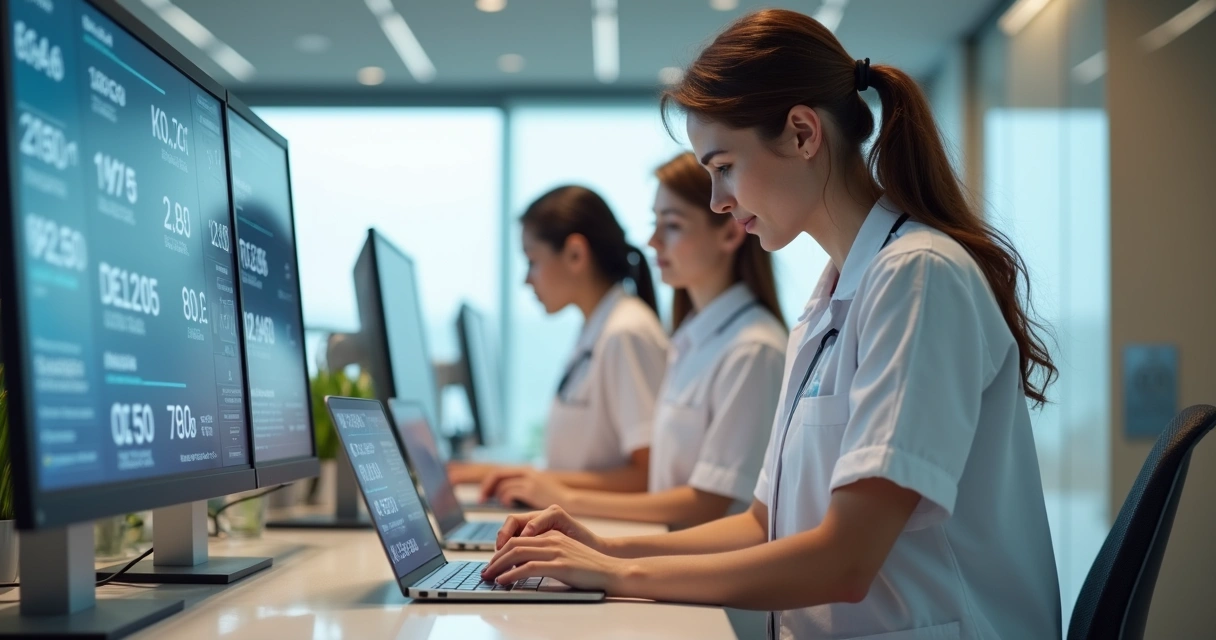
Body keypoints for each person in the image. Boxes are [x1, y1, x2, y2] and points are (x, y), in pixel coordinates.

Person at [481, 9, 1062, 640]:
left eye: (724, 166)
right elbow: (763, 522)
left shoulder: (918, 276)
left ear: (803, 133)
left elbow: (844, 561)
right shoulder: (831, 297)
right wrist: (603, 552)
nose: (719, 202)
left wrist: (620, 578)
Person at [480, 152, 787, 528]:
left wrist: (567, 504)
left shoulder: (752, 349)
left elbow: (705, 504)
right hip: (667, 558)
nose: (652, 241)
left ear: (729, 230)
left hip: (691, 570)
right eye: (654, 223)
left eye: (671, 225)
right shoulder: (691, 342)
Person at [449, 185, 668, 492]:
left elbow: (647, 476)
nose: (527, 279)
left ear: (576, 254)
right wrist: (502, 473)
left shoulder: (625, 332)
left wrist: (537, 480)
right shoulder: (598, 329)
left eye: (532, 260)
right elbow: (580, 465)